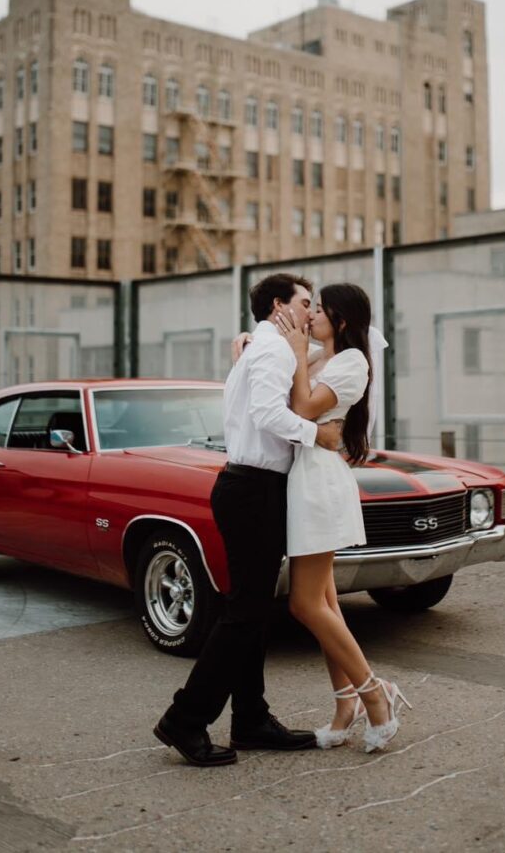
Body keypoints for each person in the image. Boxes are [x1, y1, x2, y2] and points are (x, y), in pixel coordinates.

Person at [153, 273, 344, 767]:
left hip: (251, 488)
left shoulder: (268, 347)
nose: (310, 311)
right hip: (253, 490)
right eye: (305, 303)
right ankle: (185, 720)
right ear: (279, 305)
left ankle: (251, 719)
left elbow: (317, 357)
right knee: (243, 615)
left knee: (250, 610)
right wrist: (316, 435)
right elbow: (266, 413)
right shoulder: (272, 352)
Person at [276, 283, 410, 753]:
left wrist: (297, 353)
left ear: (343, 321)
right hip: (307, 477)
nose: (310, 316)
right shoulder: (318, 359)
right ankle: (344, 702)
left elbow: (303, 408)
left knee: (304, 604)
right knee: (326, 604)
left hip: (320, 484)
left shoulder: (351, 362)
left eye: (320, 311)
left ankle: (376, 694)